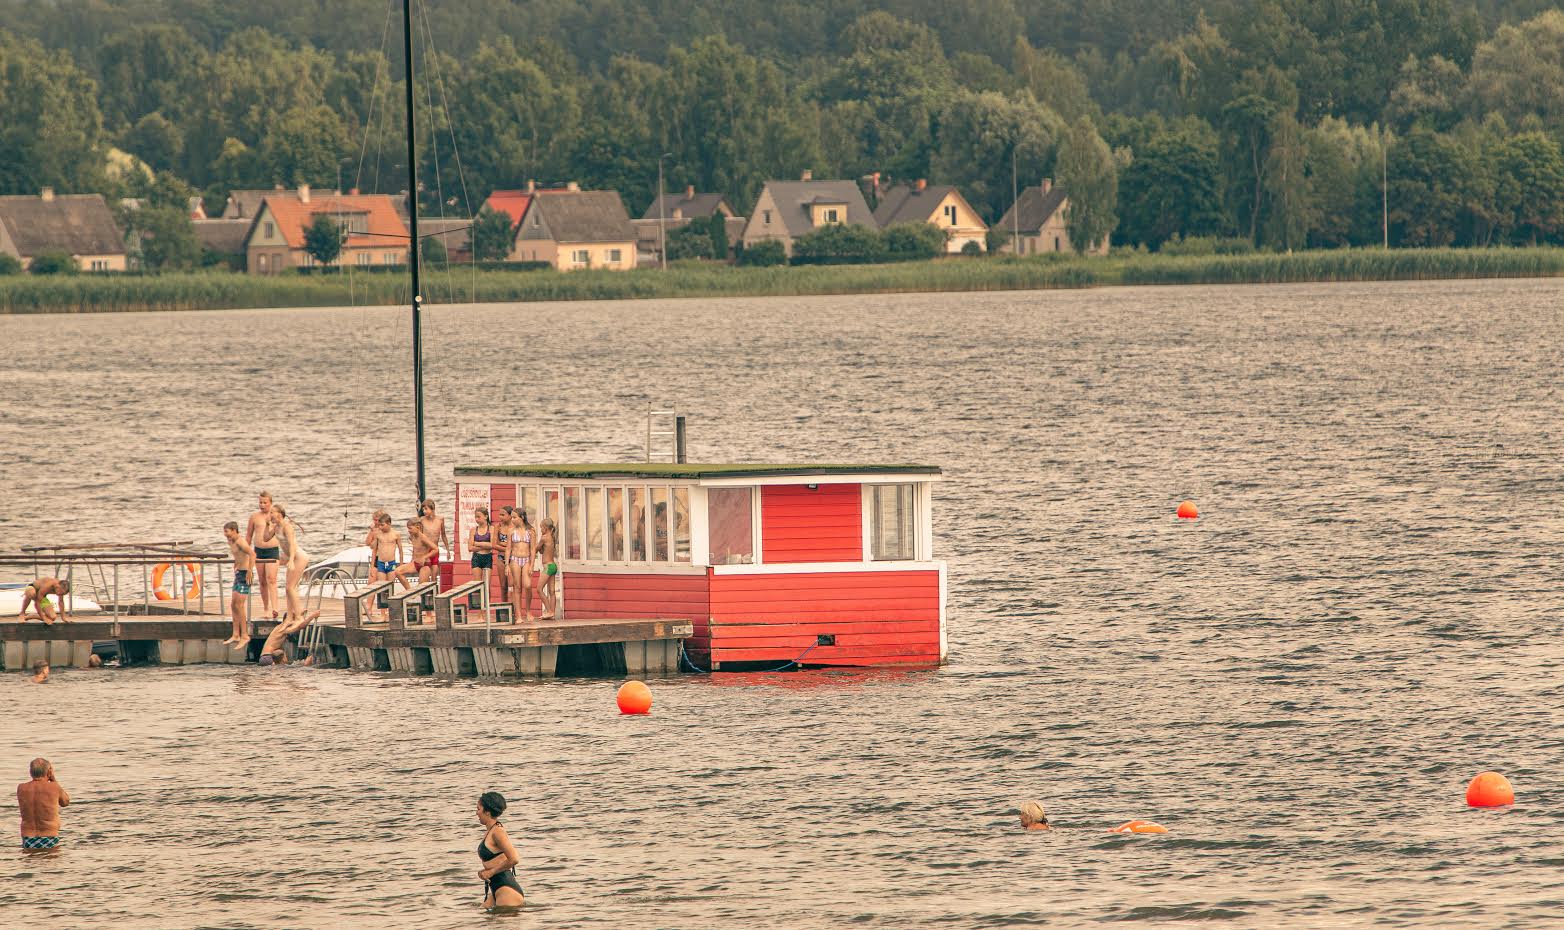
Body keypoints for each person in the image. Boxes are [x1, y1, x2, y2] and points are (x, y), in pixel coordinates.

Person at [475, 792, 524, 908]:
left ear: (487, 812)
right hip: (496, 888)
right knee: (480, 915)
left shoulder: (498, 831)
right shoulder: (490, 830)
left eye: (478, 809)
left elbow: (514, 859)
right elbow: (498, 859)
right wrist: (485, 871)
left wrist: (491, 872)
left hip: (506, 889)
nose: (476, 812)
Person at [18, 759, 70, 850]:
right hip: (49, 836)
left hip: (28, 837)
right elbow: (65, 802)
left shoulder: (21, 788)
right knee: (50, 862)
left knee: (31, 862)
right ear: (49, 771)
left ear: (31, 772)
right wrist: (53, 778)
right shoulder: (54, 787)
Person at [246, 491, 282, 620]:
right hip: (258, 551)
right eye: (260, 502)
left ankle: (275, 608)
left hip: (272, 551)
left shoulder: (275, 516)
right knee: (262, 581)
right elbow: (249, 536)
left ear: (270, 503)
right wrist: (246, 553)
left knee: (271, 579)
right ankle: (266, 608)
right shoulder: (255, 517)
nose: (262, 505)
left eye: (265, 502)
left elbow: (285, 531)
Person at [271, 504, 309, 621]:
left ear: (280, 514)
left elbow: (292, 544)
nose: (270, 515)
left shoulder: (287, 527)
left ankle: (298, 615)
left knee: (290, 587)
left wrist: (291, 559)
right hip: (291, 558)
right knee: (288, 588)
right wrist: (268, 525)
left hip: (298, 557)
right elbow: (265, 538)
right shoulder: (275, 527)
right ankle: (289, 616)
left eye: (272, 513)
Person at [223, 521, 255, 648]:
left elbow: (252, 554)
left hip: (245, 575)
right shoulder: (231, 541)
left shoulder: (241, 542)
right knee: (233, 604)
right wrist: (235, 565)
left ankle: (245, 635)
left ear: (234, 530)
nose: (225, 535)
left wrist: (250, 571)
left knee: (240, 605)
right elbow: (238, 556)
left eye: (227, 532)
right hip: (238, 574)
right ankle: (235, 634)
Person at [507, 510, 535, 622]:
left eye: (514, 517)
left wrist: (532, 564)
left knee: (527, 585)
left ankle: (528, 611)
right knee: (517, 587)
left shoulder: (531, 531)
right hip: (515, 559)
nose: (512, 519)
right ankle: (518, 614)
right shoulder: (511, 531)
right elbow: (508, 548)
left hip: (526, 559)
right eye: (512, 517)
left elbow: (533, 549)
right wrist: (506, 564)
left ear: (522, 517)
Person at [370, 514, 405, 595]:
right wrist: (372, 567)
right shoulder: (378, 534)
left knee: (390, 586)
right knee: (382, 587)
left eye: (382, 525)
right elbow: (374, 550)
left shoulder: (396, 534)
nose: (380, 527)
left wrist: (401, 565)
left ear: (389, 523)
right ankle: (383, 607)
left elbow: (400, 551)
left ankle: (390, 606)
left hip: (391, 563)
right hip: (381, 563)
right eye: (379, 525)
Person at [394, 519, 436, 587]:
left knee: (421, 588)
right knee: (397, 571)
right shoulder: (412, 536)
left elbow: (435, 549)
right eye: (408, 528)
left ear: (418, 528)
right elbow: (415, 548)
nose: (408, 530)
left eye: (410, 528)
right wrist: (412, 559)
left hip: (424, 564)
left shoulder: (423, 538)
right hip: (415, 563)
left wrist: (425, 557)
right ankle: (409, 591)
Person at [536, 518, 559, 621]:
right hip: (553, 565)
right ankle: (552, 613)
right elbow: (542, 551)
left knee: (539, 589)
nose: (540, 530)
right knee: (552, 591)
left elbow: (536, 549)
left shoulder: (544, 537)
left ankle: (549, 611)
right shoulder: (552, 537)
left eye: (541, 528)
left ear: (545, 528)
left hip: (548, 567)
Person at [419, 499, 449, 576]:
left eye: (426, 509)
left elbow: (443, 535)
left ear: (432, 509)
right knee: (426, 573)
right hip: (425, 550)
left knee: (434, 575)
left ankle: (434, 586)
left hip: (435, 549)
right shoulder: (421, 520)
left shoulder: (440, 519)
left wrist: (448, 551)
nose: (424, 511)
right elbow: (419, 536)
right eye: (423, 509)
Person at [493, 506, 514, 607]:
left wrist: (503, 544)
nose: (500, 517)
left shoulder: (514, 527)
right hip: (501, 558)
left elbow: (515, 544)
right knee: (503, 586)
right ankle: (504, 608)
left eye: (503, 515)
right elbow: (494, 544)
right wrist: (508, 548)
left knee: (512, 586)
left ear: (510, 516)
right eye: (499, 514)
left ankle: (513, 608)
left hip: (513, 559)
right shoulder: (498, 527)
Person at [468, 507, 495, 577]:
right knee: (477, 583)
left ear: (486, 516)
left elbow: (492, 545)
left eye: (478, 517)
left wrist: (476, 543)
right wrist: (485, 546)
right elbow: (470, 548)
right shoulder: (473, 530)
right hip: (476, 557)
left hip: (487, 557)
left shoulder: (491, 529)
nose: (476, 519)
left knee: (486, 584)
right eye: (475, 517)